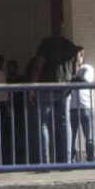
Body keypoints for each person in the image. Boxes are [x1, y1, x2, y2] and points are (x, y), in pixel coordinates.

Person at [30, 33, 79, 165]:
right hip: (64, 87)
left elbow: (38, 65)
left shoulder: (46, 43)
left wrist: (32, 86)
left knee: (43, 124)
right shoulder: (70, 45)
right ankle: (67, 160)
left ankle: (45, 162)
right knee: (65, 122)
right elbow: (75, 68)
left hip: (46, 86)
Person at [69, 46, 95, 163]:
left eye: (78, 56)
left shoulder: (87, 68)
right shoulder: (69, 69)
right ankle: (71, 158)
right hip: (71, 106)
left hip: (86, 106)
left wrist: (73, 75)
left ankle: (91, 158)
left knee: (89, 135)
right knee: (71, 136)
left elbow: (84, 81)